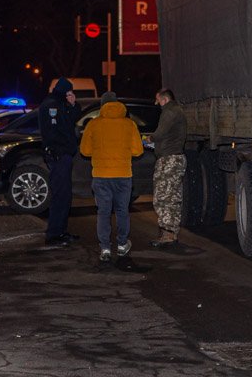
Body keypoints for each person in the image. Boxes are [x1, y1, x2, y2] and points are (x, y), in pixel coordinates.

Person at [79, 91, 143, 261]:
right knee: (122, 210)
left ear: (102, 106)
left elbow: (84, 150)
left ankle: (105, 248)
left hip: (101, 175)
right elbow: (138, 151)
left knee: (103, 212)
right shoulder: (129, 124)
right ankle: (122, 245)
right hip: (123, 175)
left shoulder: (93, 124)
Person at [38, 77, 81, 246]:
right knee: (60, 195)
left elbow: (70, 121)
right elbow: (64, 127)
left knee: (64, 195)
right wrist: (71, 106)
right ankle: (54, 234)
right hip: (59, 155)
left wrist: (73, 106)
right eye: (69, 92)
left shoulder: (56, 103)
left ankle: (60, 231)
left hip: (61, 155)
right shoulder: (53, 105)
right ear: (65, 91)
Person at [148, 88, 187, 246]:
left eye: (158, 101)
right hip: (174, 158)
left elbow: (160, 133)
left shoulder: (169, 112)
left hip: (168, 160)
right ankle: (171, 233)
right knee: (172, 197)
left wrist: (149, 139)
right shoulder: (177, 111)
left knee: (164, 197)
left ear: (164, 99)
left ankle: (167, 234)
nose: (157, 104)